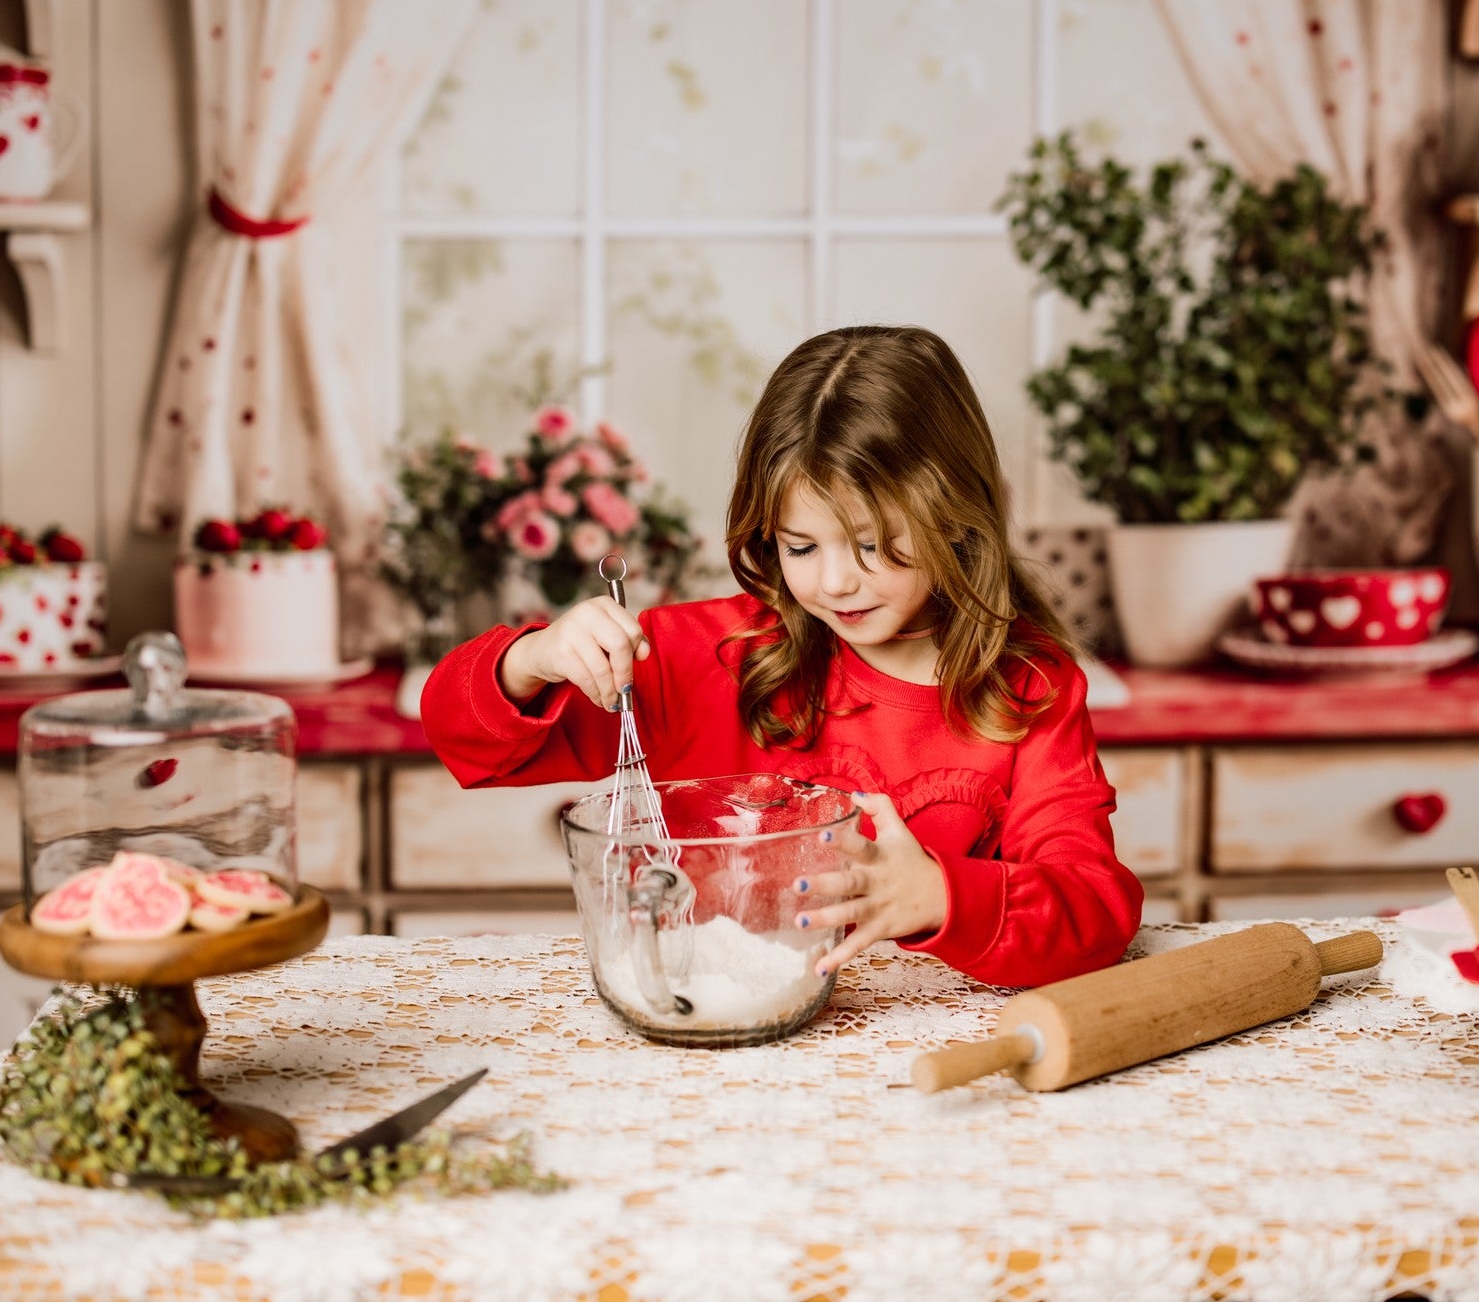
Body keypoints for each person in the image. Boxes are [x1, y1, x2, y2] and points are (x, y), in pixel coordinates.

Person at [421, 324, 1142, 987]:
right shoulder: (710, 657)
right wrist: (534, 659)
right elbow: (460, 735)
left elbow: (1097, 910)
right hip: (722, 1048)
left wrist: (938, 893)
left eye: (871, 543)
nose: (834, 581)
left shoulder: (1028, 690)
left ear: (956, 518)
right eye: (802, 546)